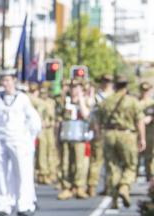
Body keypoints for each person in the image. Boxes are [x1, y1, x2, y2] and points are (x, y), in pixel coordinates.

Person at [0, 69, 42, 216]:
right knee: (0, 173)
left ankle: (24, 204)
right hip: (1, 139)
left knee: (22, 172)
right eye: (3, 80)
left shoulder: (22, 98)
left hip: (18, 140)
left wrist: (29, 138)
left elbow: (34, 120)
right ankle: (2, 205)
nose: (6, 83)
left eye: (8, 80)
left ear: (14, 81)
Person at [95, 75, 144, 208]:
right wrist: (142, 138)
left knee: (112, 167)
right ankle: (124, 185)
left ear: (115, 86)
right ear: (126, 85)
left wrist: (100, 137)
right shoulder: (132, 101)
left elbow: (97, 122)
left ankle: (114, 200)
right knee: (130, 165)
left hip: (109, 134)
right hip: (127, 135)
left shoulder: (106, 101)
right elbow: (139, 121)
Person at [57, 81, 93, 200]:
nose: (74, 90)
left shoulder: (86, 100)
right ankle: (67, 187)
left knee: (80, 163)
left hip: (80, 137)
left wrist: (81, 99)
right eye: (72, 88)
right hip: (66, 136)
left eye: (77, 87)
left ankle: (79, 187)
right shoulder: (64, 101)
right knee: (65, 163)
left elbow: (86, 114)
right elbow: (58, 118)